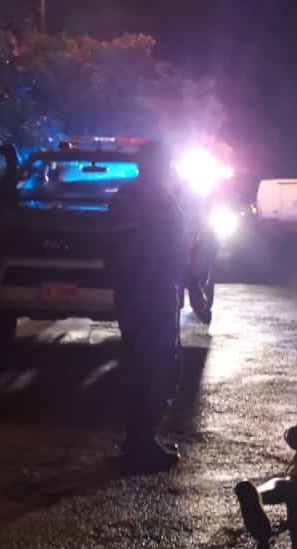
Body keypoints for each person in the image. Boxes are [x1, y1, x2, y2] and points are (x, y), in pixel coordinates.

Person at [107, 141, 188, 472]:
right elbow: (130, 252)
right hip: (149, 296)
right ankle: (141, 444)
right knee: (156, 367)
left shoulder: (136, 197)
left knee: (147, 365)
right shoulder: (144, 199)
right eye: (166, 162)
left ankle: (137, 440)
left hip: (145, 295)